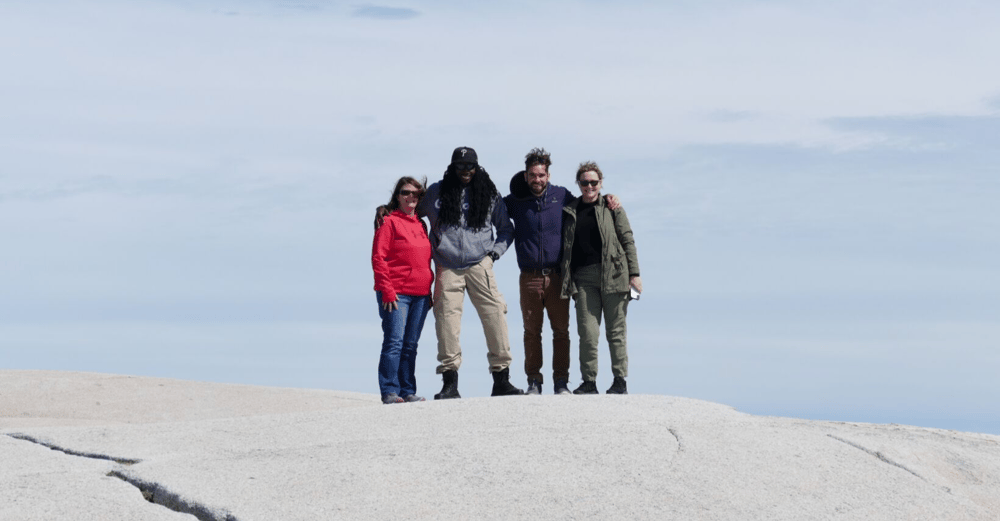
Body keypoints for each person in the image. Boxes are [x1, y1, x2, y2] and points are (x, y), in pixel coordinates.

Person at [504, 148, 622, 395]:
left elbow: (588, 201)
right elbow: (493, 211)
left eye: (542, 175)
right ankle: (534, 381)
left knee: (561, 332)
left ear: (548, 175)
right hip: (529, 277)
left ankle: (561, 382)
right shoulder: (515, 201)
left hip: (558, 276)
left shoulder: (562, 195)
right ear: (526, 176)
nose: (538, 180)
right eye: (533, 175)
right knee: (531, 332)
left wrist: (609, 197)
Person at [419, 147, 523, 398]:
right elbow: (410, 210)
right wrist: (386, 209)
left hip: (480, 264)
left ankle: (501, 379)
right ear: (452, 167)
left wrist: (493, 255)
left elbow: (506, 229)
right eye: (460, 166)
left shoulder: (489, 194)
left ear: (477, 167)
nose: (465, 171)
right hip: (447, 265)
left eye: (470, 166)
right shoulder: (436, 192)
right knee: (446, 321)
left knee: (495, 315)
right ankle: (449, 383)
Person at [559, 162, 642, 395]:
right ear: (579, 184)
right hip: (583, 278)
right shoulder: (571, 210)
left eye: (594, 182)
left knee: (616, 331)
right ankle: (589, 381)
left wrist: (635, 274)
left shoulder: (612, 207)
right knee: (587, 332)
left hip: (615, 274)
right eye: (585, 182)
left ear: (601, 183)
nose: (589, 186)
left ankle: (619, 381)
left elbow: (628, 240)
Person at [371, 177, 434, 404]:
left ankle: (407, 390)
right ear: (397, 195)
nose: (411, 197)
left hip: (421, 295)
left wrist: (429, 290)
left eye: (416, 194)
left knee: (410, 345)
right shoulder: (388, 221)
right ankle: (389, 391)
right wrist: (387, 290)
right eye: (406, 193)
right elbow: (379, 258)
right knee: (394, 342)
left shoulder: (420, 224)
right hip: (397, 293)